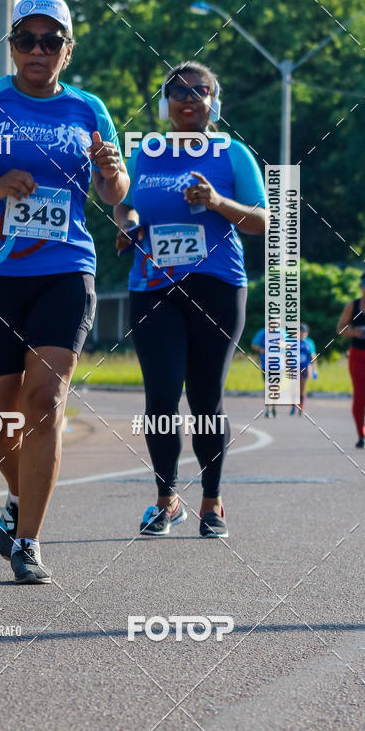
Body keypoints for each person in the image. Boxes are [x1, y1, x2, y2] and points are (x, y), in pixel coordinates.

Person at [0, 0, 129, 583]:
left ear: (68, 49)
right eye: (25, 40)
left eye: (50, 40)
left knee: (44, 401)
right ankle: (17, 499)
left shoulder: (89, 108)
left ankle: (31, 541)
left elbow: (115, 194)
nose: (37, 51)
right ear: (11, 46)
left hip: (66, 269)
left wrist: (113, 174)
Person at [114, 61, 268, 538]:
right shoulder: (146, 152)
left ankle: (213, 501)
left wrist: (218, 202)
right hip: (153, 286)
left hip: (217, 286)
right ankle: (166, 499)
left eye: (199, 91)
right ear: (165, 102)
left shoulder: (233, 153)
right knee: (160, 396)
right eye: (177, 90)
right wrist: (127, 223)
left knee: (205, 397)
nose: (188, 97)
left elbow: (262, 219)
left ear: (213, 102)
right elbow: (126, 201)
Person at [336, 270, 365, 449]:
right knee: (359, 396)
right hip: (358, 354)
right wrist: (353, 332)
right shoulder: (354, 305)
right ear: (361, 286)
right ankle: (361, 435)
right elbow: (340, 328)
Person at [291, 322, 317, 416]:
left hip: (305, 368)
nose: (303, 333)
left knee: (302, 390)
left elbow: (313, 356)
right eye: (301, 331)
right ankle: (293, 406)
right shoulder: (293, 341)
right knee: (294, 389)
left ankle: (301, 407)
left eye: (304, 332)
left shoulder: (309, 342)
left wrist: (314, 370)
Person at [251, 327, 276, 418]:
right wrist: (261, 349)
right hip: (266, 364)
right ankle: (268, 409)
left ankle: (273, 407)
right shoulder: (262, 332)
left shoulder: (282, 332)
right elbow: (253, 345)